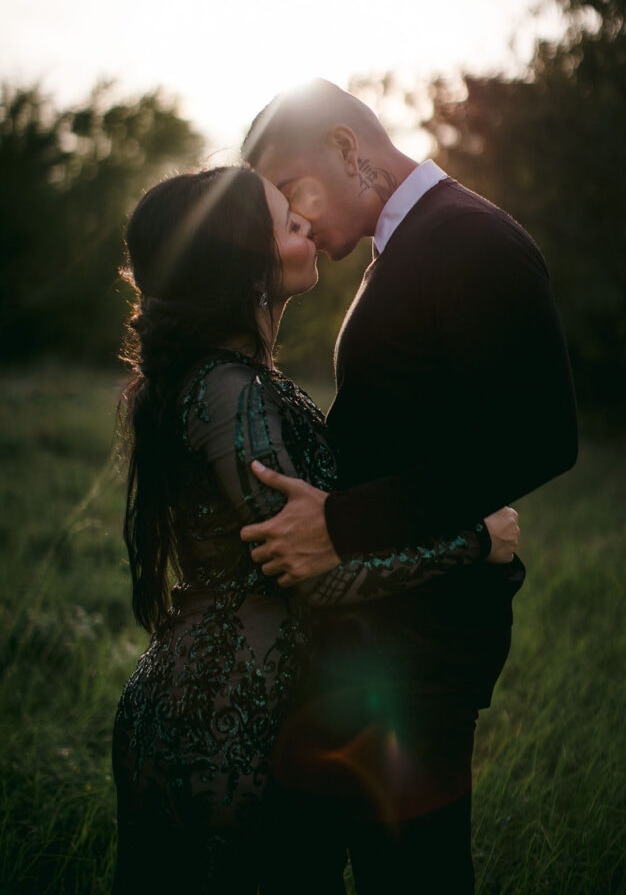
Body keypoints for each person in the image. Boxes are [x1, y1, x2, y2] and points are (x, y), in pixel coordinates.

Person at [111, 165, 520, 895]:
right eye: (286, 222)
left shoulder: (236, 381)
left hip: (247, 700)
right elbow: (313, 571)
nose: (305, 228)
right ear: (243, 260)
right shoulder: (227, 390)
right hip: (221, 716)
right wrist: (472, 540)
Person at [239, 79, 579, 894]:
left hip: (423, 645)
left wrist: (343, 526)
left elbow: (540, 438)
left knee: (413, 875)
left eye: (292, 192)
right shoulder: (406, 245)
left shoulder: (470, 239)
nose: (295, 222)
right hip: (372, 636)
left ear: (350, 152)